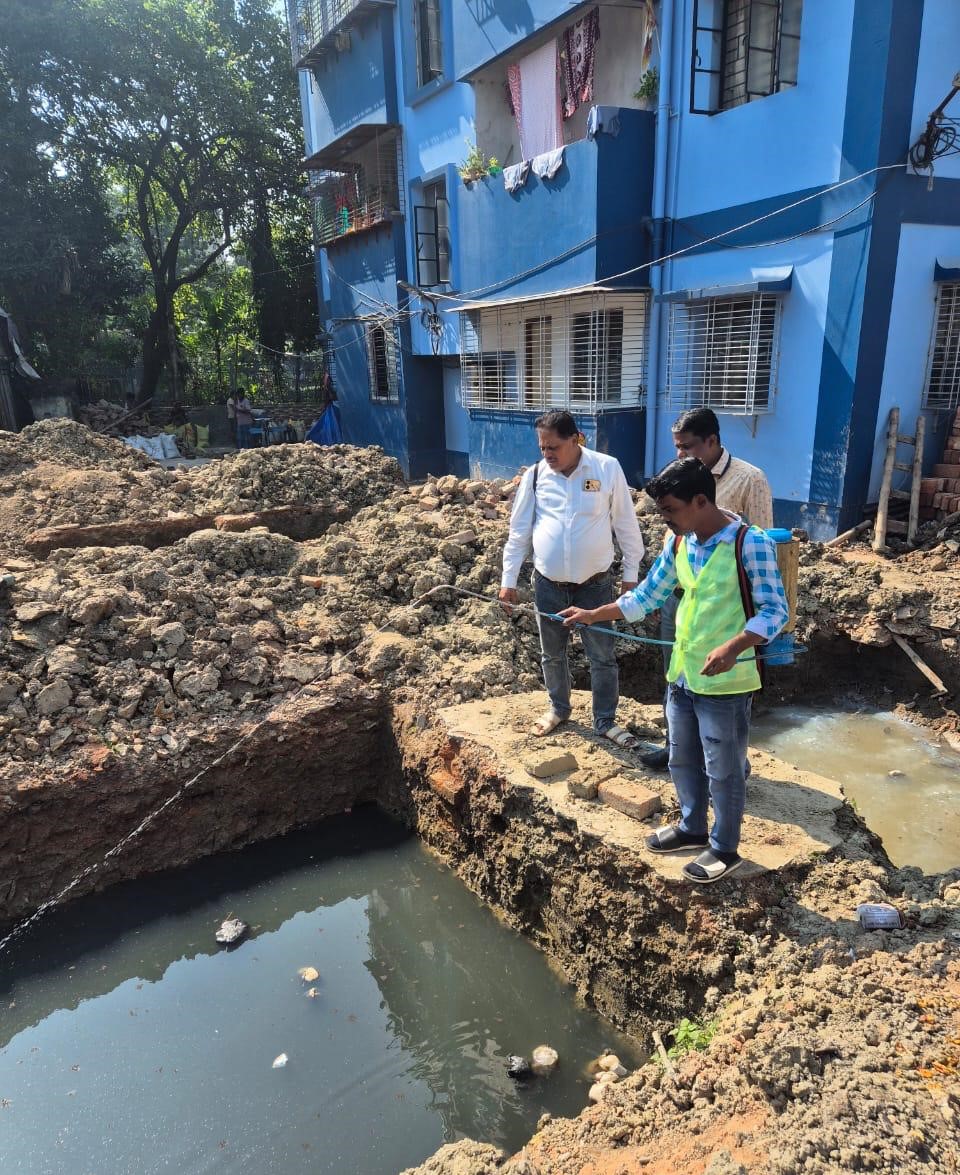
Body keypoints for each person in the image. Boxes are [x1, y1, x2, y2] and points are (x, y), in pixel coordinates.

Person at [557, 457, 788, 884]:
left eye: (670, 510)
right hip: (683, 676)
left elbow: (776, 612)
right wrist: (593, 614)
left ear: (701, 500)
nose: (665, 519)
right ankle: (692, 827)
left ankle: (724, 848)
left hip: (726, 682)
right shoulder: (679, 543)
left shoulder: (749, 544)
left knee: (724, 768)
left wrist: (735, 645)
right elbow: (647, 595)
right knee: (682, 759)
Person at [499, 410, 645, 747]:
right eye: (542, 448)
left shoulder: (606, 468)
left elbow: (626, 524)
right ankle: (559, 708)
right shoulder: (536, 477)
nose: (547, 455)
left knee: (602, 656)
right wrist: (509, 581)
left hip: (595, 585)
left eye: (554, 447)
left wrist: (630, 576)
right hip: (548, 584)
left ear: (575, 438)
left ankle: (605, 720)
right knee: (552, 654)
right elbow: (519, 533)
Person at [641, 407, 775, 769]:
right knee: (678, 676)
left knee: (728, 684)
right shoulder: (677, 479)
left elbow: (764, 541)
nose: (680, 454)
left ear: (713, 441)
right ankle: (679, 749)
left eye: (688, 447)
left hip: (727, 606)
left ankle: (733, 763)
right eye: (677, 447)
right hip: (683, 594)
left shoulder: (750, 479)